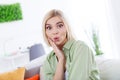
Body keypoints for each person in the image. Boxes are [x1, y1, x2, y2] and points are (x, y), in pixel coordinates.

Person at [41, 9, 100, 80]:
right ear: (45, 32)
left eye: (60, 26)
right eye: (49, 28)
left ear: (67, 27)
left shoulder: (81, 48)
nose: (55, 32)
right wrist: (61, 59)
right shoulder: (49, 59)